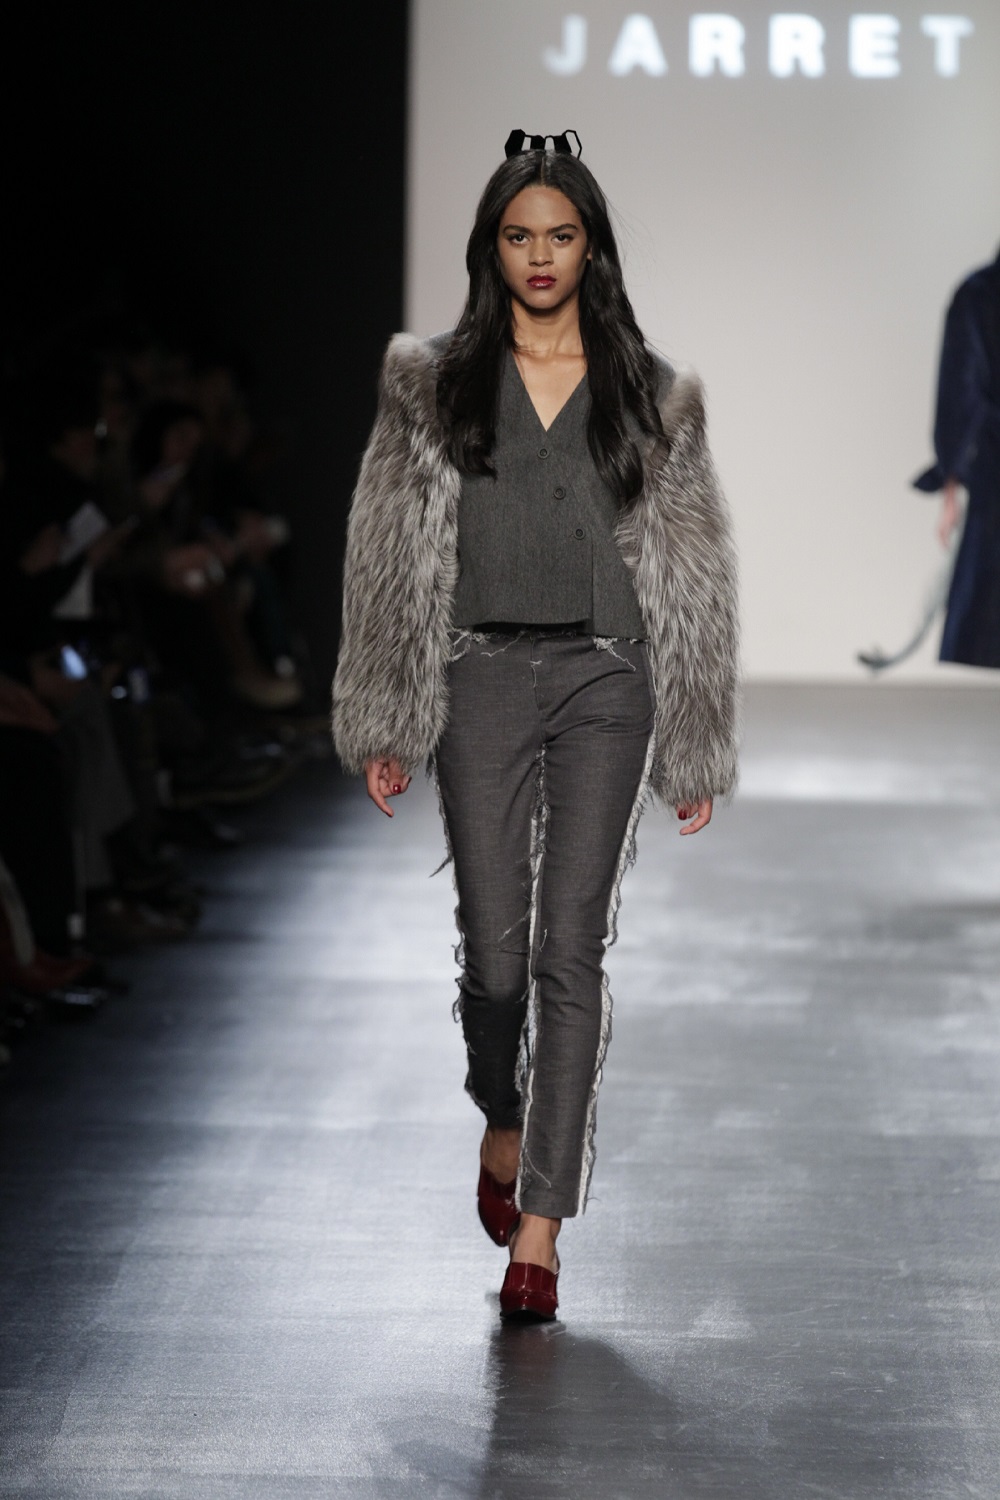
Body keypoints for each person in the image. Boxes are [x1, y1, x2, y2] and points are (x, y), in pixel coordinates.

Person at [332, 133, 739, 1322]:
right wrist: (387, 712)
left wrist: (692, 735)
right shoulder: (429, 383)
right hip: (479, 674)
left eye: (560, 235)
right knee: (496, 952)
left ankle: (542, 1234)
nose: (541, 256)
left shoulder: (653, 391)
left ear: (591, 248)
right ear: (492, 249)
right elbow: (386, 549)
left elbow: (691, 564)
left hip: (610, 679)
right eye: (520, 236)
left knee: (573, 948)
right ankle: (500, 1115)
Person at [915, 246, 1000, 668]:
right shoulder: (978, 295)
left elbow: (959, 396)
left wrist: (950, 486)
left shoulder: (978, 292)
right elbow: (960, 395)